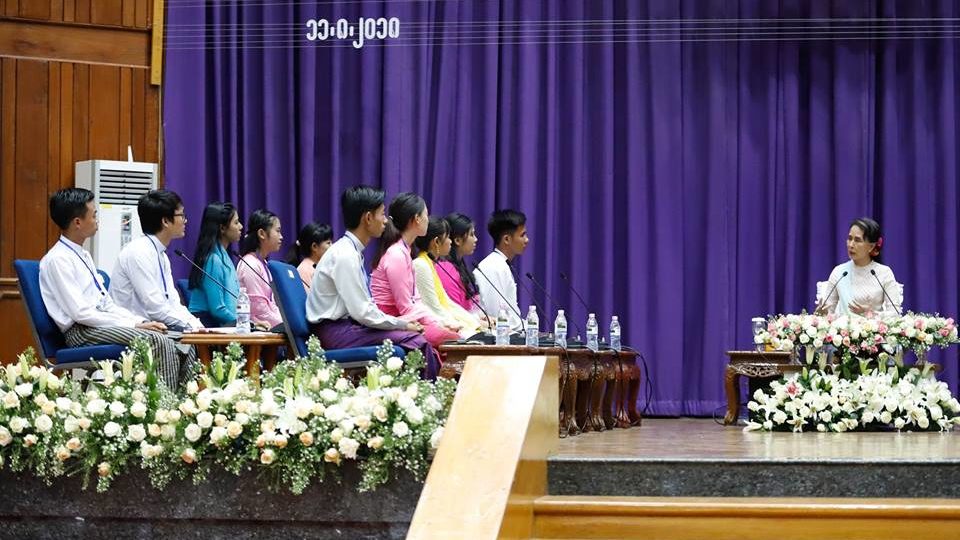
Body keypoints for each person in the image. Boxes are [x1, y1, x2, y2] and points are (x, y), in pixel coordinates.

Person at [39, 188, 197, 390]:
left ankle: (183, 401)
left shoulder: (83, 255)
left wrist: (139, 322)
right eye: (94, 215)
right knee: (159, 341)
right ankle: (164, 403)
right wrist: (133, 324)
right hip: (81, 331)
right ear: (77, 222)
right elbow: (81, 313)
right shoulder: (58, 260)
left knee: (182, 341)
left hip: (98, 324)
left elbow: (107, 303)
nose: (97, 220)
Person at [305, 185, 440, 378]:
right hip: (336, 332)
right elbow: (362, 312)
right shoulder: (345, 255)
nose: (385, 220)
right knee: (417, 341)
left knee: (415, 338)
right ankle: (427, 395)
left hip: (346, 328)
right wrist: (401, 324)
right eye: (382, 214)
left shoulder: (350, 251)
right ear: (368, 218)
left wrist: (400, 323)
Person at [370, 192, 461, 348]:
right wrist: (437, 324)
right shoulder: (396, 254)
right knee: (454, 339)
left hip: (406, 318)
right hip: (393, 321)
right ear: (417, 219)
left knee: (455, 336)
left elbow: (416, 300)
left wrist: (439, 322)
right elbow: (405, 307)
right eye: (426, 214)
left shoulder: (405, 251)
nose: (428, 219)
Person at [111, 189, 203, 332]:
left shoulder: (161, 255)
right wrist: (192, 326)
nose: (185, 220)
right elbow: (156, 308)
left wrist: (195, 324)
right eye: (181, 215)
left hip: (156, 327)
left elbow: (173, 302)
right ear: (165, 221)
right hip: (134, 329)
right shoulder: (138, 252)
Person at [816, 217, 902, 317]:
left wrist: (870, 314)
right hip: (844, 326)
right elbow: (828, 311)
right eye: (849, 238)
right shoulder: (840, 272)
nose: (851, 245)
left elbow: (895, 314)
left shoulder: (884, 273)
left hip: (874, 327)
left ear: (871, 247)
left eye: (857, 240)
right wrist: (822, 313)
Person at [413, 216, 483, 338]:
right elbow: (433, 307)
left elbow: (447, 303)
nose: (450, 241)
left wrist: (474, 324)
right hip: (434, 326)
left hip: (446, 323)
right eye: (447, 237)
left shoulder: (430, 263)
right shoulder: (421, 265)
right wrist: (459, 326)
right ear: (436, 242)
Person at [188, 202, 242, 327]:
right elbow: (217, 310)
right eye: (236, 223)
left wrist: (248, 322)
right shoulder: (213, 260)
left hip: (224, 324)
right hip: (207, 326)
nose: (241, 226)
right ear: (222, 228)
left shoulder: (224, 256)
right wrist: (245, 323)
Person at [475, 209, 529, 332]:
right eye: (522, 235)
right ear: (507, 239)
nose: (527, 240)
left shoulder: (500, 264)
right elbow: (496, 315)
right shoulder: (493, 267)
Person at [237, 209, 284, 330]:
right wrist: (286, 325)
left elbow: (271, 304)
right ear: (262, 234)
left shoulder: (263, 263)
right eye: (277, 231)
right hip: (256, 329)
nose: (281, 237)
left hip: (269, 325)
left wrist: (287, 321)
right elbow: (258, 310)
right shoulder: (250, 264)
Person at [436, 212, 487, 319]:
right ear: (457, 240)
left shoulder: (460, 265)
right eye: (471, 235)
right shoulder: (446, 269)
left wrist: (482, 317)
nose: (476, 239)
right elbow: (454, 312)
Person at [286, 222, 333, 290]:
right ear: (314, 246)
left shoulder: (321, 266)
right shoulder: (304, 270)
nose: (332, 246)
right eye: (328, 243)